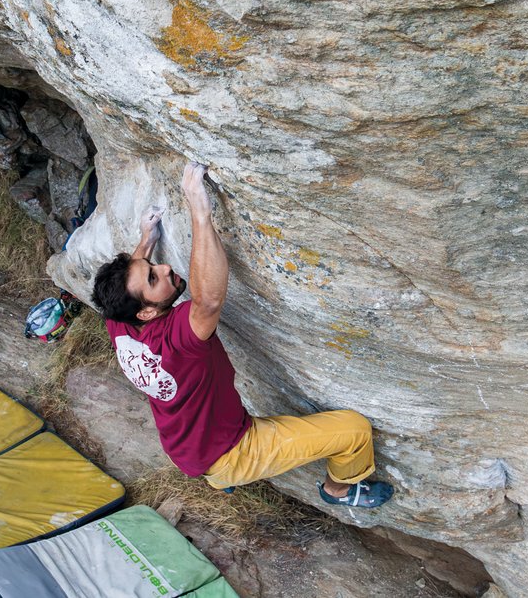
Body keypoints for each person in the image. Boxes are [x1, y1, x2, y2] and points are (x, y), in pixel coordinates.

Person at [89, 162, 395, 508]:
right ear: (145, 312)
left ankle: (219, 480)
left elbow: (133, 279)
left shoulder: (120, 320)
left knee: (210, 456)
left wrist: (146, 241)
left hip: (183, 446)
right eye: (154, 279)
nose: (165, 268)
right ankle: (337, 491)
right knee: (353, 431)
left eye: (152, 268)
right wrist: (199, 211)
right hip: (233, 451)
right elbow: (208, 299)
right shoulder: (176, 339)